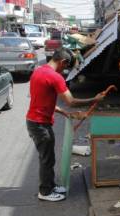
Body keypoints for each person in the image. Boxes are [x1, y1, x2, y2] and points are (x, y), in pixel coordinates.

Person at [26, 48, 104, 202]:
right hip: (40, 125)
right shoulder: (55, 77)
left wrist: (65, 113)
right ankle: (45, 192)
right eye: (66, 67)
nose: (65, 71)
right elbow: (72, 101)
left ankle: (50, 185)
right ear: (62, 62)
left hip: (35, 121)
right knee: (46, 159)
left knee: (48, 157)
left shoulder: (38, 71)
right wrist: (94, 99)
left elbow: (44, 102)